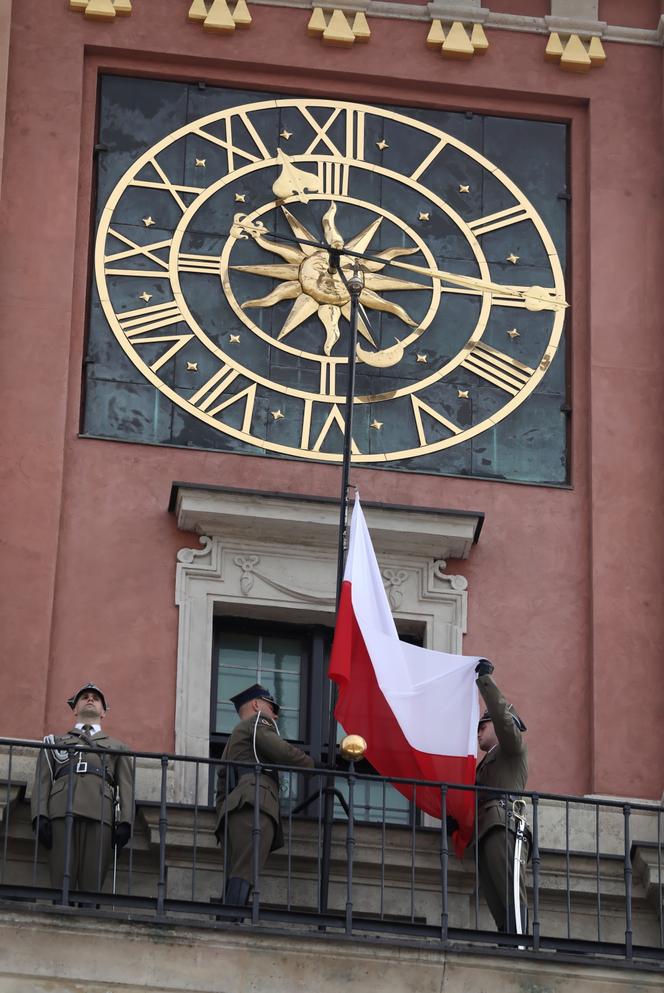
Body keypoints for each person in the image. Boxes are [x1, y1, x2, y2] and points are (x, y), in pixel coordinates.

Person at [214, 683, 315, 911]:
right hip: (255, 802)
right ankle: (231, 920)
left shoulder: (232, 740)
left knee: (238, 869)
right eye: (272, 708)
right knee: (245, 870)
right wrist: (313, 765)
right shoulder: (259, 722)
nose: (276, 716)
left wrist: (223, 815)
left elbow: (221, 787)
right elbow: (280, 750)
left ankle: (229, 917)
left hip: (235, 811)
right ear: (257, 704)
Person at [31, 682, 134, 894]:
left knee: (92, 885)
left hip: (100, 812)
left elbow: (126, 787)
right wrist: (39, 816)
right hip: (60, 810)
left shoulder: (117, 746)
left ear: (103, 712)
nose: (90, 699)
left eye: (96, 699)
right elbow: (42, 781)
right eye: (85, 697)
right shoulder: (55, 742)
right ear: (75, 708)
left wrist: (126, 821)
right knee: (61, 882)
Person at [474, 659, 529, 934]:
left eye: (482, 724)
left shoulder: (511, 748)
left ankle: (519, 944)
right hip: (485, 829)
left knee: (510, 896)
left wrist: (485, 680)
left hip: (504, 823)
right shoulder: (486, 762)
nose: (478, 731)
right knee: (497, 901)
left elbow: (502, 717)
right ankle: (509, 941)